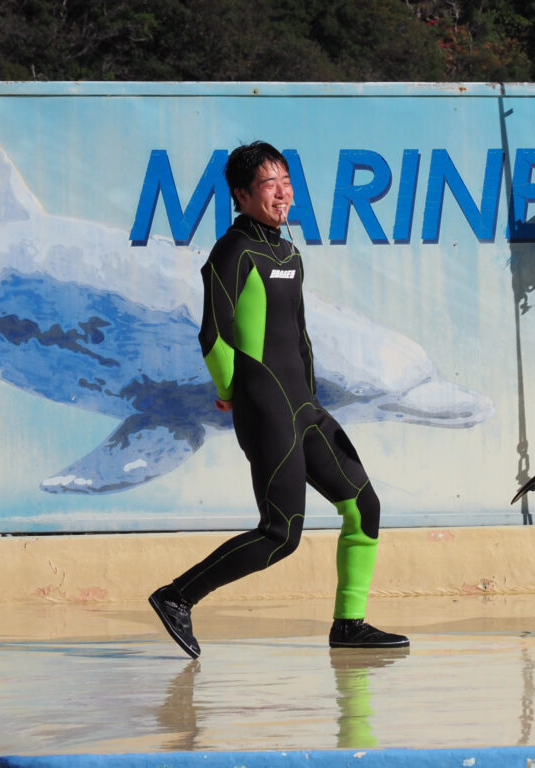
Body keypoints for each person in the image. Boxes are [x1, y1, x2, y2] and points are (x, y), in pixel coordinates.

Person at [149, 141, 408, 659]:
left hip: (303, 406)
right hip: (265, 406)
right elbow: (213, 334)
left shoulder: (287, 253)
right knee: (281, 532)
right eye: (270, 184)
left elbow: (299, 334)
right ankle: (177, 596)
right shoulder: (233, 250)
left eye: (286, 181)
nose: (282, 192)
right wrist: (230, 391)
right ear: (242, 195)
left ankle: (349, 624)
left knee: (364, 506)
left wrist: (311, 400)